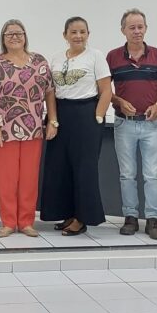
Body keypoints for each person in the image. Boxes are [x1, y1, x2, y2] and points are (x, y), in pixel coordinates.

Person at [0, 19, 57, 237]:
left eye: (18, 33)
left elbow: (50, 92)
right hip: (5, 131)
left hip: (34, 130)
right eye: (9, 34)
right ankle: (8, 222)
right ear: (3, 39)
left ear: (25, 36)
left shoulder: (39, 62)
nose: (14, 37)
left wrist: (52, 120)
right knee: (7, 179)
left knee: (29, 179)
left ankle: (26, 222)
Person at [40, 16, 112, 235]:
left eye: (82, 32)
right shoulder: (55, 58)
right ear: (65, 35)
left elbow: (106, 91)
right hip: (61, 114)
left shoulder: (96, 56)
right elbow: (50, 91)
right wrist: (52, 120)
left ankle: (82, 218)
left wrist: (98, 116)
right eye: (73, 32)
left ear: (88, 34)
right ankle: (67, 214)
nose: (78, 36)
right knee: (59, 167)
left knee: (84, 168)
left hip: (86, 115)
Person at [106, 8, 157, 240]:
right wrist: (119, 101)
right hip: (124, 124)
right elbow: (104, 90)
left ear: (146, 28)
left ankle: (153, 219)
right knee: (127, 174)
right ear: (123, 30)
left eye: (140, 26)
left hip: (151, 124)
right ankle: (130, 217)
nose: (137, 31)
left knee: (152, 175)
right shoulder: (113, 57)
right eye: (131, 27)